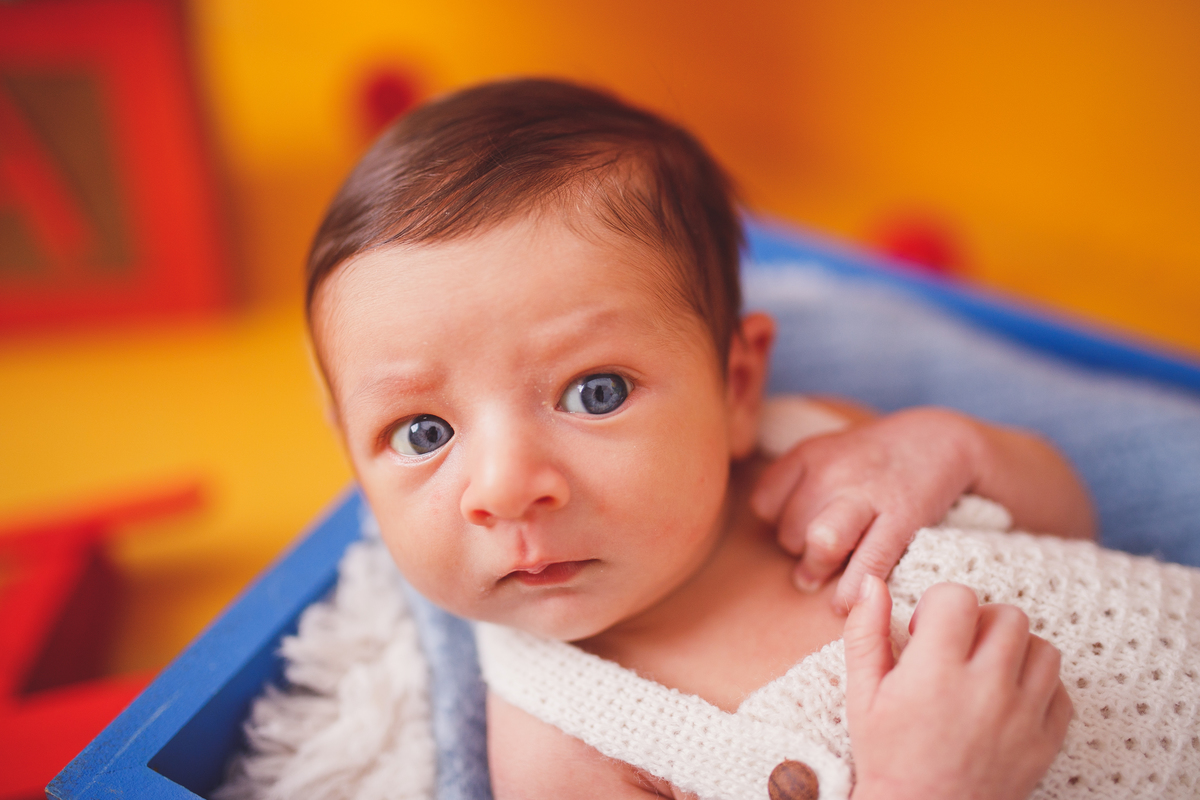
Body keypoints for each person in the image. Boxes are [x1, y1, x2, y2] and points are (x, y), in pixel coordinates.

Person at [303, 79, 1197, 799]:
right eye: (423, 431)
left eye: (595, 391)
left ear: (735, 387)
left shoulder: (820, 445)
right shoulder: (563, 742)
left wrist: (956, 448)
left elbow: (1070, 518)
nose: (505, 486)